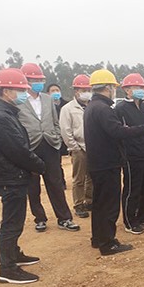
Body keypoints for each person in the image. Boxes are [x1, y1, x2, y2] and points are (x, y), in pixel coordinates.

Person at [84, 69, 144, 255]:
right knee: (109, 206)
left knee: (99, 204)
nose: (113, 90)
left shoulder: (93, 106)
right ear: (108, 88)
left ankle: (98, 238)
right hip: (107, 163)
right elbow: (118, 132)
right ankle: (108, 243)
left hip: (98, 162)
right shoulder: (103, 109)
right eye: (113, 87)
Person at [0, 68, 46, 284]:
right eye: (21, 90)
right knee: (11, 223)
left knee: (14, 220)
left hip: (12, 174)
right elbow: (17, 149)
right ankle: (7, 268)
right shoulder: (0, 117)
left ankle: (14, 254)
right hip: (10, 176)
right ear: (7, 91)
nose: (24, 94)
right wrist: (39, 165)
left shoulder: (5, 113)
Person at [18, 63, 79, 232]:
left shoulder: (47, 99)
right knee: (33, 185)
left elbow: (55, 121)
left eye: (40, 80)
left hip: (50, 144)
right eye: (34, 80)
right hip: (31, 146)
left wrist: (57, 138)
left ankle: (64, 218)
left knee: (55, 183)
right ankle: (39, 218)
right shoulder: (19, 101)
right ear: (26, 81)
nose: (38, 83)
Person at [115, 73, 144, 234]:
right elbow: (122, 132)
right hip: (132, 155)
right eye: (136, 87)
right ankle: (130, 220)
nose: (140, 90)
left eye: (142, 87)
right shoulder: (121, 109)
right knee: (133, 189)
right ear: (127, 90)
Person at [59, 74, 93, 218]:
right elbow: (65, 130)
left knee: (91, 177)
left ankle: (89, 201)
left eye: (88, 89)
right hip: (79, 147)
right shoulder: (68, 109)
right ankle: (79, 204)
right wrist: (75, 148)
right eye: (83, 90)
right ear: (76, 91)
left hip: (93, 147)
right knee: (79, 179)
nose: (86, 92)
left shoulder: (92, 106)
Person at [47, 83, 69, 189]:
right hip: (54, 137)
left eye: (57, 90)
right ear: (48, 93)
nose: (55, 92)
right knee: (56, 163)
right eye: (53, 91)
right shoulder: (46, 106)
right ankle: (61, 183)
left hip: (67, 135)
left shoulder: (66, 105)